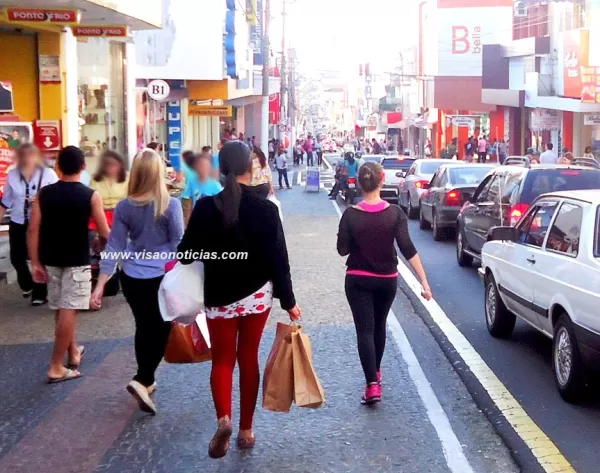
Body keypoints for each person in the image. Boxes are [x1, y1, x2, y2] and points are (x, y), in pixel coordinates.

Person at [177, 140, 300, 458]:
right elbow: (279, 260)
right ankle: (246, 430)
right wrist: (289, 301)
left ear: (222, 168)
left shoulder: (206, 207)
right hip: (257, 296)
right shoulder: (267, 209)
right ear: (250, 167)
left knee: (221, 360)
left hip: (218, 296)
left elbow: (187, 253)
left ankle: (224, 420)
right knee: (248, 358)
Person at [90, 148, 184, 414]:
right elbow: (179, 244)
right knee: (163, 327)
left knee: (144, 326)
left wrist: (100, 284)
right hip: (162, 277)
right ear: (157, 174)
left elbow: (115, 246)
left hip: (131, 276)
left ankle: (148, 380)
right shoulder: (170, 204)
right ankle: (142, 379)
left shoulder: (124, 206)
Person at [337, 161, 432, 404]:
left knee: (365, 330)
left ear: (359, 183)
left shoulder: (350, 214)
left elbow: (342, 250)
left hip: (358, 279)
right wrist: (424, 282)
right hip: (387, 281)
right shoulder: (395, 214)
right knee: (379, 326)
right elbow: (407, 248)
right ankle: (376, 373)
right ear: (382, 181)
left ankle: (372, 385)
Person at [28, 146, 110, 383]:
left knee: (61, 307)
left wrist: (34, 262)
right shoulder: (90, 195)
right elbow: (105, 232)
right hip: (76, 259)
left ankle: (73, 351)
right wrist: (103, 247)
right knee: (69, 308)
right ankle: (55, 366)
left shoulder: (43, 195)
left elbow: (33, 229)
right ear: (83, 166)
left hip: (50, 258)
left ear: (58, 167)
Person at [0, 144, 58, 305]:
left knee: (37, 257)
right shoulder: (12, 175)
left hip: (40, 222)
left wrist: (41, 199)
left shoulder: (48, 174)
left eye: (30, 155)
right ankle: (27, 284)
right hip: (18, 220)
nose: (27, 158)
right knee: (16, 258)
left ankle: (40, 294)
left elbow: (56, 196)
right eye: (23, 155)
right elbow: (6, 201)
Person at [181, 152, 223, 223]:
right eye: (200, 165)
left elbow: (221, 206)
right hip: (196, 218)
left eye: (204, 166)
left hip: (210, 220)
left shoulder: (215, 185)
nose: (202, 168)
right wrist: (188, 218)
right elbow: (190, 200)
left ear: (209, 168)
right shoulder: (192, 181)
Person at [90, 150, 128, 215]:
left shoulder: (128, 178)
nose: (110, 167)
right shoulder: (95, 179)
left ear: (120, 165)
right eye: (107, 164)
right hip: (101, 213)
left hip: (122, 213)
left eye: (114, 164)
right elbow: (92, 200)